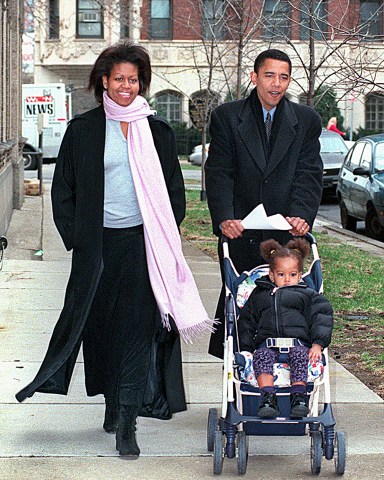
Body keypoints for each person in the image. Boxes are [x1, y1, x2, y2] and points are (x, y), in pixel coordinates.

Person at [15, 42, 212, 458]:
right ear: (104, 81)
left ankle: (127, 420)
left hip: (142, 247)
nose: (127, 86)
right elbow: (63, 193)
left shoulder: (157, 132)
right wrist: (79, 241)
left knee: (136, 331)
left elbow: (173, 192)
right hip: (97, 248)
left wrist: (160, 234)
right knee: (100, 330)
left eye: (134, 79)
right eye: (119, 78)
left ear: (142, 83)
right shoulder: (83, 130)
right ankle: (110, 402)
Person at [205, 49, 323, 359]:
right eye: (269, 75)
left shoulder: (306, 120)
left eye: (283, 77)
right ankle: (239, 370)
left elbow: (308, 172)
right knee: (242, 302)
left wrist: (301, 215)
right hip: (240, 231)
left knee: (286, 309)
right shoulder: (227, 117)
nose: (276, 84)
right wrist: (224, 218)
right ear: (254, 77)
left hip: (284, 233)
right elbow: (220, 173)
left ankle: (285, 374)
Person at [238, 238, 334, 418]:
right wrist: (246, 349)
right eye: (281, 275)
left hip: (299, 343)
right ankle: (267, 398)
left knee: (299, 356)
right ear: (272, 275)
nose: (287, 279)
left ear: (300, 275)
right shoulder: (259, 295)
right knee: (261, 357)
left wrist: (318, 344)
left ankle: (299, 398)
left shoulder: (307, 295)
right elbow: (246, 322)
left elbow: (321, 317)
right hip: (267, 344)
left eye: (293, 274)